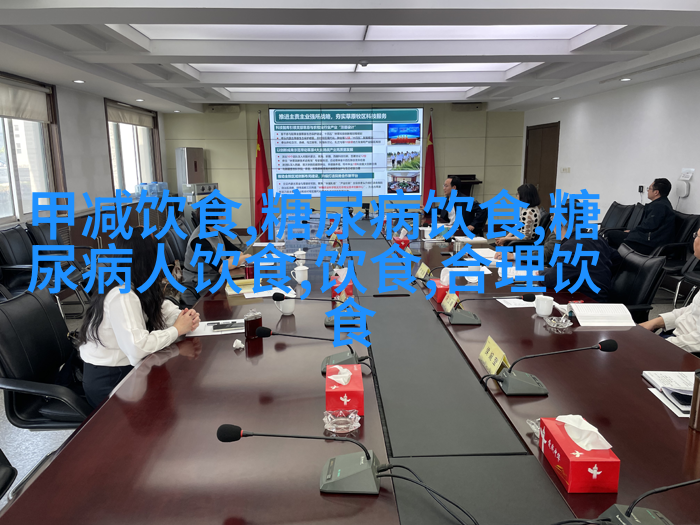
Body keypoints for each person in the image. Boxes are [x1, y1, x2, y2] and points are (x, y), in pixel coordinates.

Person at [78, 229, 201, 408]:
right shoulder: (122, 294)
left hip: (128, 368)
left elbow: (161, 309)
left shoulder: (138, 283)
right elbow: (137, 348)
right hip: (111, 379)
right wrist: (176, 330)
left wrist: (183, 317)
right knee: (167, 400)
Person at [640, 228, 700, 353]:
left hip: (686, 351)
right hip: (676, 338)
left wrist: (657, 345)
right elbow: (693, 311)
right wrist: (655, 322)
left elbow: (697, 342)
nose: (695, 239)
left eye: (697, 236)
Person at [182, 208, 250, 305]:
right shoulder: (199, 241)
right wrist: (243, 258)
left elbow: (237, 252)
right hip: (200, 285)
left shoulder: (215, 231)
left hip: (216, 278)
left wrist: (230, 262)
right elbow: (221, 267)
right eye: (223, 215)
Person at [606, 178, 675, 255]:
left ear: (656, 192)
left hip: (649, 244)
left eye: (649, 188)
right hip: (649, 240)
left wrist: (632, 231)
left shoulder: (659, 206)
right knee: (613, 237)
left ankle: (612, 259)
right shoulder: (663, 204)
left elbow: (649, 226)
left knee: (610, 235)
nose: (648, 191)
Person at [421, 176, 487, 235]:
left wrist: (473, 224)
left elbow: (483, 209)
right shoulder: (447, 200)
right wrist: (426, 209)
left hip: (462, 231)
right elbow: (439, 209)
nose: (444, 188)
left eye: (446, 186)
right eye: (444, 186)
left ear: (454, 187)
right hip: (450, 228)